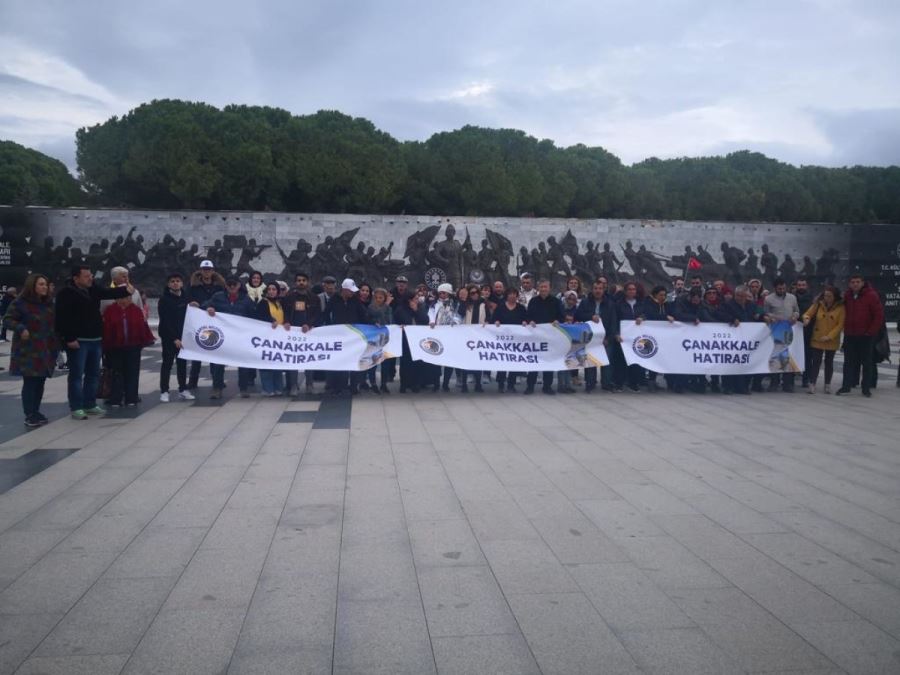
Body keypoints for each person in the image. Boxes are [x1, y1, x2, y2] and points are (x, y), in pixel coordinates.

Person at [55, 265, 132, 419]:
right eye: (86, 276)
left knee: (93, 374)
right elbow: (62, 318)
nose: (90, 278)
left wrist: (126, 286)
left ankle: (90, 404)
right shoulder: (66, 293)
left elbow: (110, 293)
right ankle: (76, 406)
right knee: (77, 375)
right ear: (76, 278)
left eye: (91, 275)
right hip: (78, 340)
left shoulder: (94, 289)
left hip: (95, 339)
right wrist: (69, 338)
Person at [2, 275, 59, 426]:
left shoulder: (48, 304)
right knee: (30, 381)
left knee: (40, 381)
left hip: (45, 348)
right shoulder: (20, 303)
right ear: (32, 286)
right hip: (28, 350)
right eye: (41, 284)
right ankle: (29, 413)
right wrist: (21, 328)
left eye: (46, 284)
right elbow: (7, 319)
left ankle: (36, 410)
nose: (44, 287)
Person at [202, 276, 257, 399]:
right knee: (218, 364)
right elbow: (205, 305)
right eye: (229, 284)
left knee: (242, 363)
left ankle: (243, 388)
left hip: (240, 337)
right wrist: (208, 308)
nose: (232, 287)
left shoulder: (246, 299)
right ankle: (217, 388)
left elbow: (254, 315)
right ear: (226, 285)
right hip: (222, 337)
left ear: (239, 285)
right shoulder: (218, 297)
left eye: (235, 284)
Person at [102, 292, 155, 407]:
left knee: (133, 372)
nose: (124, 300)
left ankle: (131, 397)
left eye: (127, 297)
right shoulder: (110, 310)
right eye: (121, 297)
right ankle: (116, 398)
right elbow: (106, 328)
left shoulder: (136, 310)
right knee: (117, 372)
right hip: (115, 347)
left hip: (133, 346)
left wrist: (143, 341)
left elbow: (142, 326)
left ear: (131, 298)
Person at [836, 274, 884, 397]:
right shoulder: (847, 295)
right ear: (849, 284)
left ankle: (866, 388)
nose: (855, 284)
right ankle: (846, 386)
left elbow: (878, 316)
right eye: (853, 282)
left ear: (862, 283)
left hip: (866, 335)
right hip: (850, 334)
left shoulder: (871, 296)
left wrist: (871, 332)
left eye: (857, 282)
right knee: (848, 362)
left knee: (866, 362)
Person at [322, 278, 369, 396]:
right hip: (339, 336)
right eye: (351, 290)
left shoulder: (355, 300)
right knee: (340, 361)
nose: (353, 293)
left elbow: (363, 315)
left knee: (354, 360)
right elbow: (325, 313)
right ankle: (338, 386)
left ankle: (353, 386)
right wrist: (322, 327)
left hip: (353, 336)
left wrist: (372, 325)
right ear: (344, 290)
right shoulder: (334, 299)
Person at [187, 260, 226, 390]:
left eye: (209, 269)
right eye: (204, 269)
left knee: (215, 352)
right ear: (200, 271)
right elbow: (189, 300)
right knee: (197, 354)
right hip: (199, 323)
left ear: (213, 271)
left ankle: (217, 380)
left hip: (214, 322)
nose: (207, 272)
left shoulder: (220, 287)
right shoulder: (193, 287)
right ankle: (193, 381)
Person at [157, 273, 195, 402]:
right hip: (169, 337)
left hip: (183, 337)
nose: (175, 283)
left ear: (182, 283)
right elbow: (165, 321)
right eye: (172, 281)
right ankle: (164, 391)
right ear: (168, 284)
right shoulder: (164, 299)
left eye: (178, 281)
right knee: (167, 364)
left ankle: (183, 389)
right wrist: (174, 338)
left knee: (182, 365)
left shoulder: (186, 298)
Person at [282, 272, 321, 395]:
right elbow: (285, 312)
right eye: (299, 280)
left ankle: (309, 385)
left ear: (307, 282)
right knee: (293, 360)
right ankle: (294, 385)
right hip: (293, 333)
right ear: (295, 282)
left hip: (308, 333)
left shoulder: (314, 298)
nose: (301, 282)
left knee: (309, 359)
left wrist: (309, 324)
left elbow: (317, 314)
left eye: (304, 280)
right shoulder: (289, 297)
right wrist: (287, 322)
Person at [576, 277, 616, 392]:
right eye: (595, 288)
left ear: (604, 290)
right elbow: (578, 316)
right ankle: (590, 382)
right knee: (590, 361)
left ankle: (606, 383)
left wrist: (609, 338)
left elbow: (613, 322)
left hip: (605, 338)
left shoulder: (610, 304)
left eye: (600, 288)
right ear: (592, 290)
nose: (597, 290)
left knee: (607, 362)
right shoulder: (585, 302)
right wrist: (590, 317)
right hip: (590, 338)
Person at [802, 286, 844, 394]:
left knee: (829, 362)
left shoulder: (841, 307)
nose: (827, 298)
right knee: (816, 361)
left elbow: (840, 325)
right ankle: (812, 384)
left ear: (835, 297)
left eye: (830, 296)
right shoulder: (818, 304)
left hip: (831, 339)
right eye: (825, 295)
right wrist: (806, 319)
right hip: (818, 337)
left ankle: (827, 384)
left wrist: (830, 336)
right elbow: (807, 314)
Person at [526, 279, 564, 395]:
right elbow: (528, 316)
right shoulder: (533, 301)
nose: (543, 289)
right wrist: (530, 321)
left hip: (550, 337)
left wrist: (558, 321)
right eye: (541, 287)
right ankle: (530, 386)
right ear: (538, 288)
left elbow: (561, 316)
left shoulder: (556, 301)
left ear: (549, 288)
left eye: (545, 287)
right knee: (534, 362)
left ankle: (547, 386)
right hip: (536, 337)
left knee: (549, 361)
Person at [721, 285, 762, 394]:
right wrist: (732, 319)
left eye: (742, 296)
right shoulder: (728, 304)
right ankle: (727, 387)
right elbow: (720, 314)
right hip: (732, 339)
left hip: (748, 339)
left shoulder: (752, 305)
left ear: (746, 296)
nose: (740, 298)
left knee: (745, 362)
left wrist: (765, 317)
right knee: (730, 363)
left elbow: (759, 314)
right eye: (738, 296)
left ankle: (743, 387)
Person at [763, 277, 801, 392]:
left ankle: (788, 383)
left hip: (789, 329)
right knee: (775, 355)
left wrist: (795, 316)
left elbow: (797, 311)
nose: (782, 290)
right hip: (776, 330)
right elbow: (765, 312)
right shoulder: (768, 299)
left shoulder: (792, 297)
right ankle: (774, 382)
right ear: (775, 288)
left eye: (784, 288)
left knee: (789, 356)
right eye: (779, 288)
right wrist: (771, 317)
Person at [634, 285, 674, 391]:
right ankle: (650, 381)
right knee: (652, 357)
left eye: (664, 295)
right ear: (655, 295)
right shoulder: (648, 303)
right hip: (651, 336)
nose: (663, 297)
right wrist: (665, 317)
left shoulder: (667, 305)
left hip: (664, 336)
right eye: (661, 295)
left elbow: (673, 314)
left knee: (661, 358)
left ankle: (657, 380)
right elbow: (651, 315)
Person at [254, 282, 290, 396]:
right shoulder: (263, 303)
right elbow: (259, 316)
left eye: (274, 289)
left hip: (279, 338)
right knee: (266, 363)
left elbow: (286, 316)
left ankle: (278, 387)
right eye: (269, 289)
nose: (271, 291)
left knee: (277, 363)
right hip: (266, 338)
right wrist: (270, 320)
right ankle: (268, 389)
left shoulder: (281, 303)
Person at [492, 287, 528, 393]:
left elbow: (526, 318)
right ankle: (501, 384)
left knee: (514, 362)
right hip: (502, 340)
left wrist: (525, 322)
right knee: (502, 361)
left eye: (514, 294)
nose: (512, 296)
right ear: (507, 295)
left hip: (516, 340)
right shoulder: (500, 307)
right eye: (510, 294)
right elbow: (494, 319)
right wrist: (496, 322)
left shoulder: (521, 308)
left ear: (517, 296)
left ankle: (511, 384)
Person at [394, 293, 430, 393]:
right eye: (415, 299)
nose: (417, 300)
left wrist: (416, 310)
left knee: (417, 362)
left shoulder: (420, 308)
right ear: (409, 300)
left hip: (418, 340)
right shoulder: (401, 309)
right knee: (405, 362)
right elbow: (396, 322)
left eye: (418, 298)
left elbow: (425, 320)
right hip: (405, 340)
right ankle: (404, 384)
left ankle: (415, 383)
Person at [428, 283, 461, 391]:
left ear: (449, 293)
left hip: (451, 334)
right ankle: (436, 383)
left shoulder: (455, 304)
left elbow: (458, 315)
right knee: (436, 359)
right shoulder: (434, 304)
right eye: (440, 293)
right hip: (438, 334)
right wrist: (432, 321)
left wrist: (456, 321)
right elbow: (431, 313)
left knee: (449, 360)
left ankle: (446, 384)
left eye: (444, 292)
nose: (441, 294)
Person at [614, 281, 646, 392]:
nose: (632, 291)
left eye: (634, 289)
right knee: (621, 360)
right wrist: (616, 333)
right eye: (629, 289)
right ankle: (619, 383)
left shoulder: (641, 303)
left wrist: (642, 317)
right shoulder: (619, 304)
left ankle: (633, 382)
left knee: (635, 360)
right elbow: (615, 320)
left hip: (637, 337)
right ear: (625, 291)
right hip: (623, 337)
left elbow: (647, 314)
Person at [457, 284, 488, 392]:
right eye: (471, 293)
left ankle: (478, 384)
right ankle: (464, 384)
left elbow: (488, 317)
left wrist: (487, 324)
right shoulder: (466, 304)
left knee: (478, 360)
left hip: (479, 336)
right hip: (467, 336)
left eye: (475, 293)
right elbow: (459, 314)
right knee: (466, 360)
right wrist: (464, 301)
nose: (474, 295)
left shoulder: (483, 304)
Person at [365, 288, 393, 393]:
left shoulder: (388, 308)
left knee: (385, 362)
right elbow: (371, 317)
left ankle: (384, 383)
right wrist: (374, 322)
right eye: (376, 298)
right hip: (374, 338)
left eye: (381, 298)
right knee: (373, 361)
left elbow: (389, 320)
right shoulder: (371, 307)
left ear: (384, 298)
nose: (378, 300)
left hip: (384, 337)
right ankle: (373, 383)